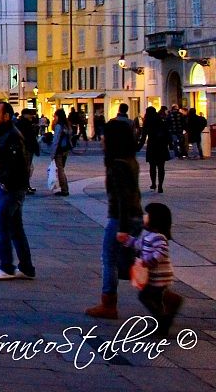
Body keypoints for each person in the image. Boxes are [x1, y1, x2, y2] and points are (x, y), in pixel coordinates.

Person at [85, 101, 142, 319]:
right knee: (129, 262)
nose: (102, 139)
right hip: (132, 216)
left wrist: (123, 228)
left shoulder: (118, 164)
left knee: (109, 258)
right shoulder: (129, 160)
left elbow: (123, 198)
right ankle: (161, 295)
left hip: (121, 219)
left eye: (105, 136)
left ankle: (108, 303)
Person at [0, 101, 35, 280]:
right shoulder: (6, 133)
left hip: (12, 189)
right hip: (11, 188)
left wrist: (8, 184)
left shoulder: (12, 136)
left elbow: (18, 166)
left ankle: (6, 267)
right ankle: (27, 268)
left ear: (6, 116)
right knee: (16, 228)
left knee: (0, 226)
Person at [117, 202, 183, 335]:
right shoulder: (148, 236)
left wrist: (148, 261)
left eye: (148, 215)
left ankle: (162, 319)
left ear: (155, 220)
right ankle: (164, 315)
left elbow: (160, 253)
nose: (145, 217)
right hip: (153, 276)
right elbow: (138, 244)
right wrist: (127, 240)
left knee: (145, 296)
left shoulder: (159, 237)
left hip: (159, 276)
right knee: (156, 298)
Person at [139, 106, 171, 193]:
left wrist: (139, 147)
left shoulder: (147, 122)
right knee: (161, 167)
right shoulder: (161, 120)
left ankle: (153, 183)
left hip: (152, 145)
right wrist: (169, 144)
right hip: (162, 146)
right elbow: (167, 133)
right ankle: (160, 185)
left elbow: (144, 136)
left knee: (152, 166)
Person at [49, 108, 73, 197]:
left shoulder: (59, 126)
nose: (54, 118)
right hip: (65, 149)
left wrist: (52, 153)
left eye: (55, 116)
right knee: (61, 168)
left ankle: (64, 189)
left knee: (60, 170)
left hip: (59, 150)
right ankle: (64, 188)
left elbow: (56, 140)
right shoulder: (67, 125)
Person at [16, 108, 40, 191]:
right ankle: (25, 186)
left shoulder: (25, 123)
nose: (31, 116)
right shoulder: (24, 124)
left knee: (28, 168)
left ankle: (26, 185)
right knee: (26, 168)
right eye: (30, 114)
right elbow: (30, 137)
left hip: (28, 148)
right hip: (26, 148)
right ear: (25, 115)